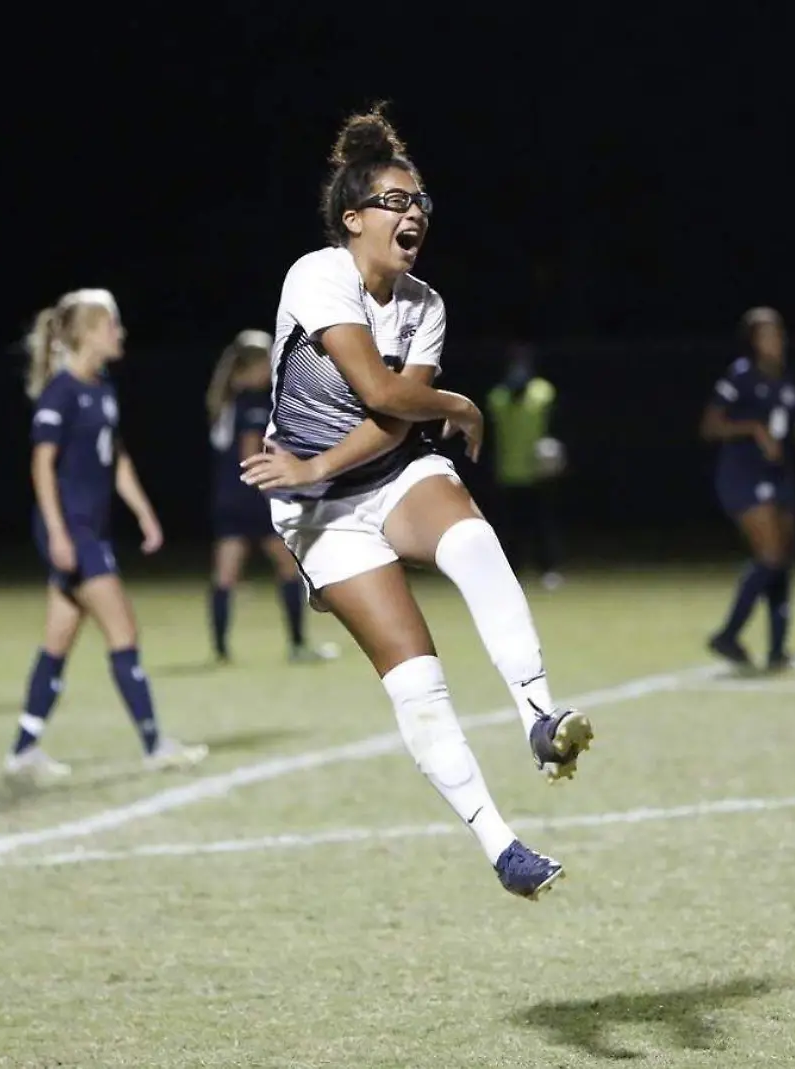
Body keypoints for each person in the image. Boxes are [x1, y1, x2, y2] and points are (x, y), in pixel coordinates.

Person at [237, 104, 589, 900]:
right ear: (352, 219)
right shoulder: (317, 274)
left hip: (382, 469)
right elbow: (375, 385)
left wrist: (333, 453)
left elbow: (393, 418)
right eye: (395, 201)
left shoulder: (425, 305)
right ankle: (502, 846)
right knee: (416, 679)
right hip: (317, 512)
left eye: (419, 200)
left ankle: (539, 715)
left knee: (471, 540)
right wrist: (459, 405)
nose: (413, 212)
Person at [4, 288, 208, 778]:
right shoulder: (61, 392)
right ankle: (155, 743)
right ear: (89, 333)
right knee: (124, 632)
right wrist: (58, 533)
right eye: (112, 325)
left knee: (58, 642)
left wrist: (144, 514)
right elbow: (41, 466)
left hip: (88, 529)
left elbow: (116, 459)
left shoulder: (101, 388)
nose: (121, 334)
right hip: (74, 532)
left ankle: (22, 751)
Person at [699, 306, 795, 672]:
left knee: (782, 559)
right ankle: (727, 635)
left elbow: (794, 419)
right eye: (766, 334)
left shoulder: (786, 378)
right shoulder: (740, 376)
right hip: (742, 475)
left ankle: (777, 651)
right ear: (753, 342)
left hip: (778, 475)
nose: (775, 340)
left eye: (778, 332)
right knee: (770, 555)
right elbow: (711, 426)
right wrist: (754, 428)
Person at [204, 329, 339, 664]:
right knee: (289, 568)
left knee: (224, 575)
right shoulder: (252, 401)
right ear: (252, 365)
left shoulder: (226, 400)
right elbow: (252, 454)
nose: (271, 368)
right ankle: (297, 645)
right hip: (252, 498)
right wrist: (275, 496)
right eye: (268, 361)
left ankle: (221, 651)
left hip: (226, 499)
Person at [485, 343, 564, 588]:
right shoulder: (497, 397)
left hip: (539, 473)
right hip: (508, 473)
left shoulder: (544, 393)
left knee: (542, 526)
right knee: (510, 530)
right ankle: (512, 571)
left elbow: (557, 426)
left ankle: (548, 570)